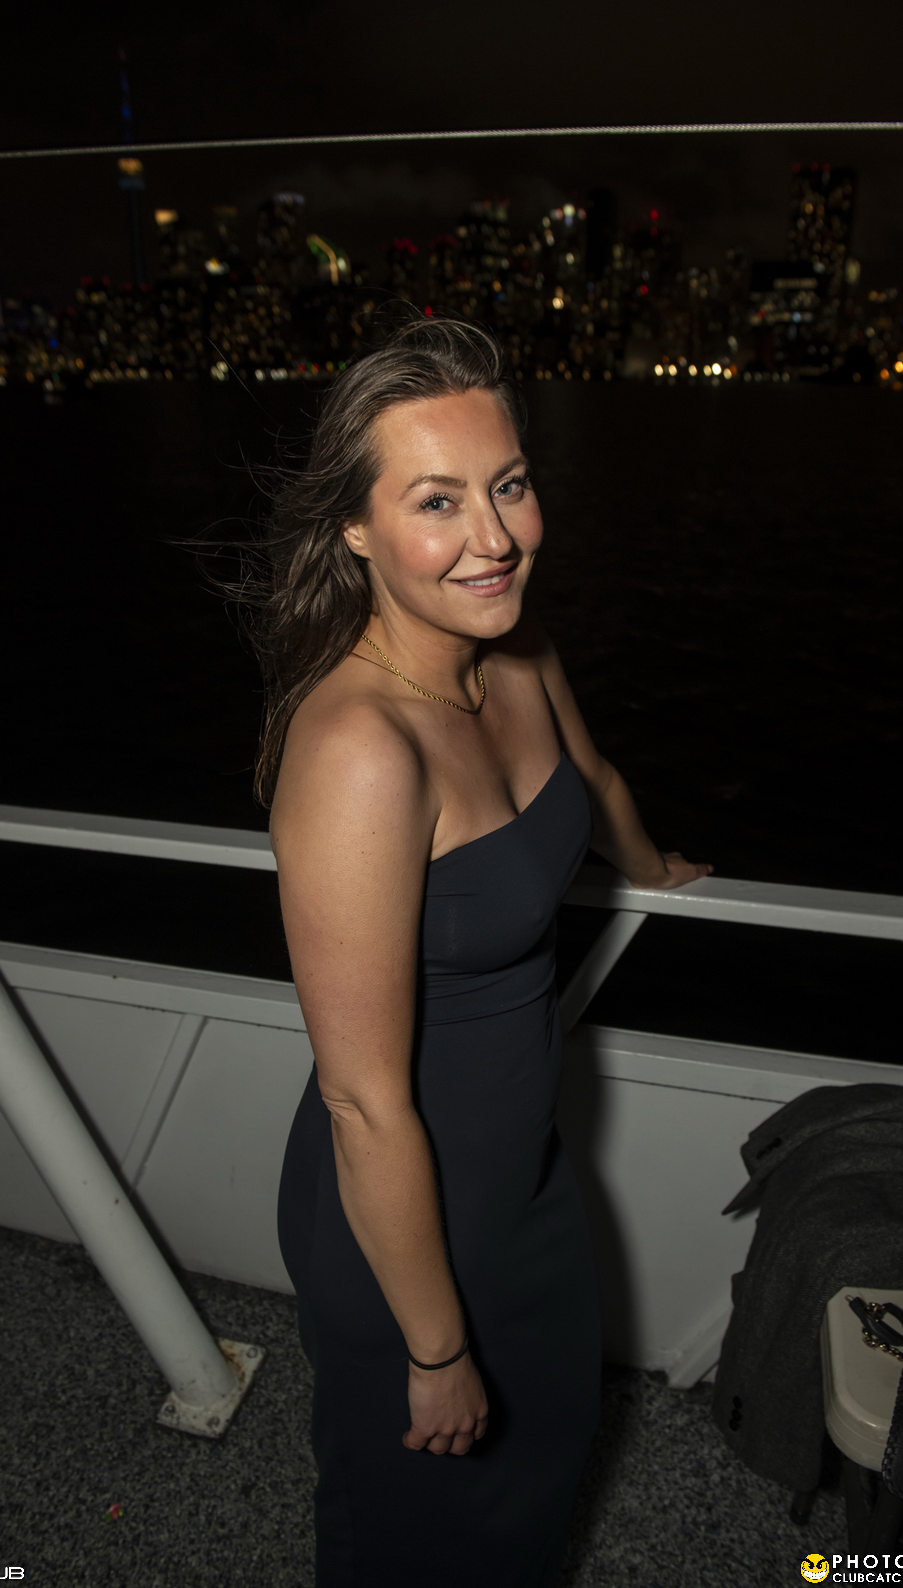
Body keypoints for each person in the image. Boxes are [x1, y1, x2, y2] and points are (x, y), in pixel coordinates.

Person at [245, 317, 711, 1587]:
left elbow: (593, 782)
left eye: (508, 485)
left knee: (538, 1469)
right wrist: (436, 1346)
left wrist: (652, 864)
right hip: (397, 1215)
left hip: (526, 1178)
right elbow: (360, 1099)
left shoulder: (517, 651)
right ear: (355, 529)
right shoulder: (360, 750)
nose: (495, 536)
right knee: (414, 1534)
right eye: (437, 501)